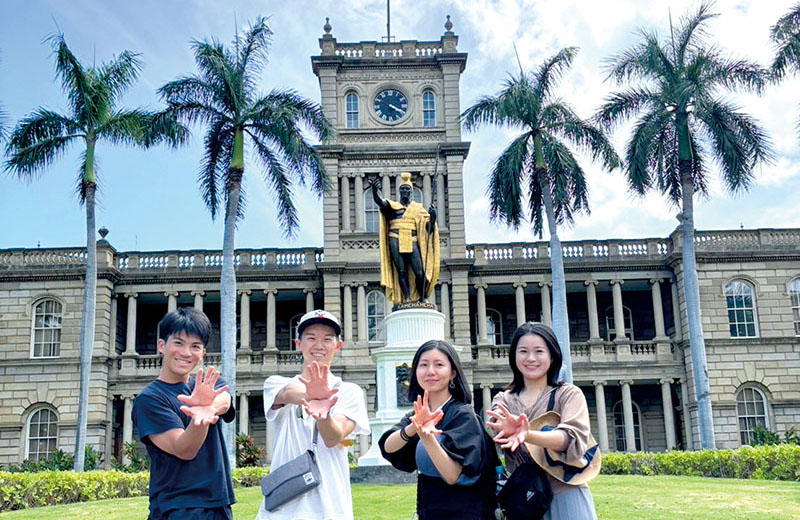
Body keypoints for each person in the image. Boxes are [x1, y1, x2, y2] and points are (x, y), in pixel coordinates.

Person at [257, 310, 370, 520]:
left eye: (327, 339)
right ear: (298, 344)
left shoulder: (349, 391)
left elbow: (334, 437)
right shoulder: (276, 383)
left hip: (331, 506)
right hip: (283, 508)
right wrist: (312, 395)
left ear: (338, 346)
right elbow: (287, 394)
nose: (319, 345)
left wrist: (323, 415)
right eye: (311, 338)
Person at [132, 307, 236, 520]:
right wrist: (199, 418)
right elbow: (184, 449)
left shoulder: (205, 385)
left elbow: (225, 400)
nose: (186, 353)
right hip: (179, 507)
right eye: (178, 343)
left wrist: (208, 407)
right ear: (162, 346)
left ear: (203, 354)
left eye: (195, 346)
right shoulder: (150, 399)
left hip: (219, 503)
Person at [488, 322, 600, 520]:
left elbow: (571, 438)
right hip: (525, 498)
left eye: (539, 351)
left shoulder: (568, 395)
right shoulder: (503, 400)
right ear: (514, 357)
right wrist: (507, 431)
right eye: (523, 351)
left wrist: (527, 434)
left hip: (566, 493)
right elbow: (499, 431)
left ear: (552, 355)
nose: (531, 358)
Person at [379, 340, 497, 520]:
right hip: (430, 511)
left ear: (453, 373)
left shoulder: (463, 415)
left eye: (439, 365)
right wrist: (413, 428)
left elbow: (452, 475)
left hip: (465, 513)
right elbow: (388, 447)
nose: (430, 371)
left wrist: (427, 437)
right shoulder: (418, 413)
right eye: (423, 365)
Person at [371, 172, 440, 304]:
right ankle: (407, 298)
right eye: (402, 189)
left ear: (411, 191)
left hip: (412, 239)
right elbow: (380, 202)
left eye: (407, 189)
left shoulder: (418, 209)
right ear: (399, 192)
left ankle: (421, 298)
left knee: (419, 272)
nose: (405, 192)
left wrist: (433, 216)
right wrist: (375, 190)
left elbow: (428, 228)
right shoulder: (393, 207)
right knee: (401, 271)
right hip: (395, 238)